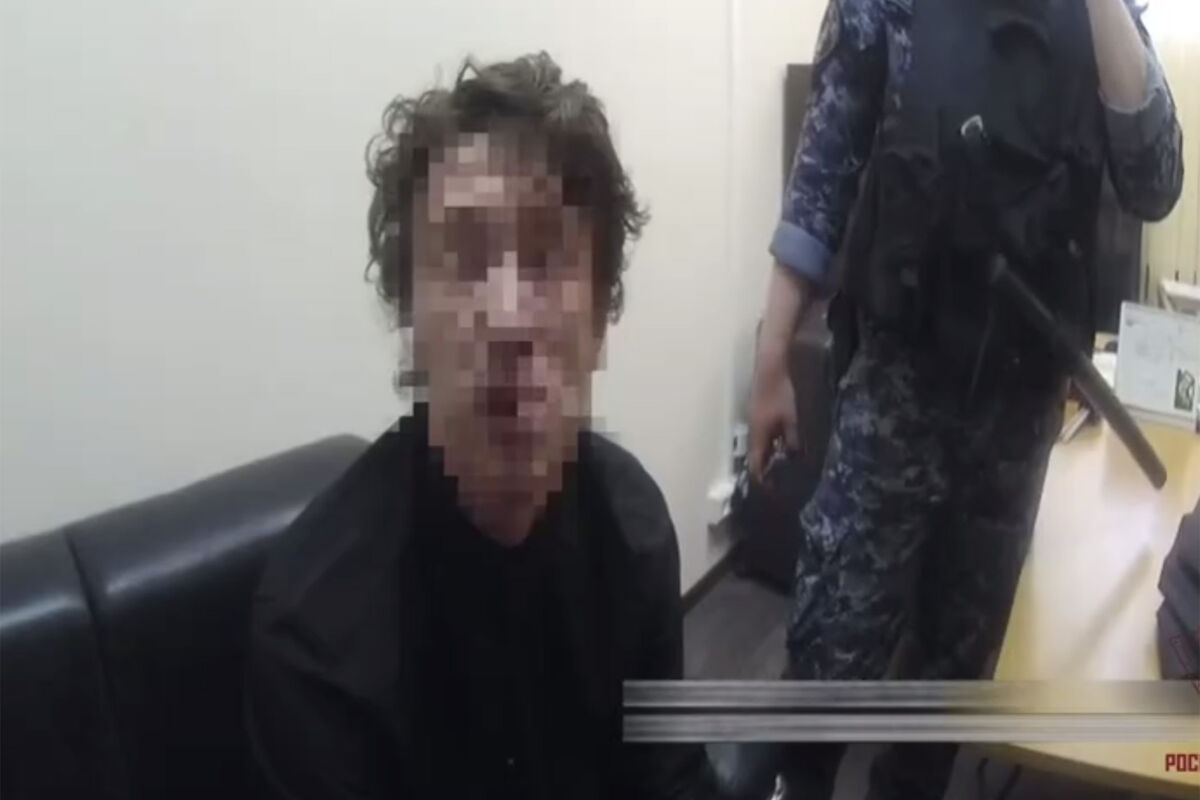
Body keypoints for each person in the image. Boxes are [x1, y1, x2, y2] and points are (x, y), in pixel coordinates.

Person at [734, 0, 1184, 798]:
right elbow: (824, 171)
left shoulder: (1098, 18)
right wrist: (773, 360)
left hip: (1019, 413)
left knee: (954, 665)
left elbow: (1154, 183)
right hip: (896, 392)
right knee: (833, 638)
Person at [244, 52, 722, 800]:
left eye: (547, 259)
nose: (506, 318)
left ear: (601, 320)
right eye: (465, 261)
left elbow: (670, 783)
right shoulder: (318, 637)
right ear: (411, 323)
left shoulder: (633, 534)